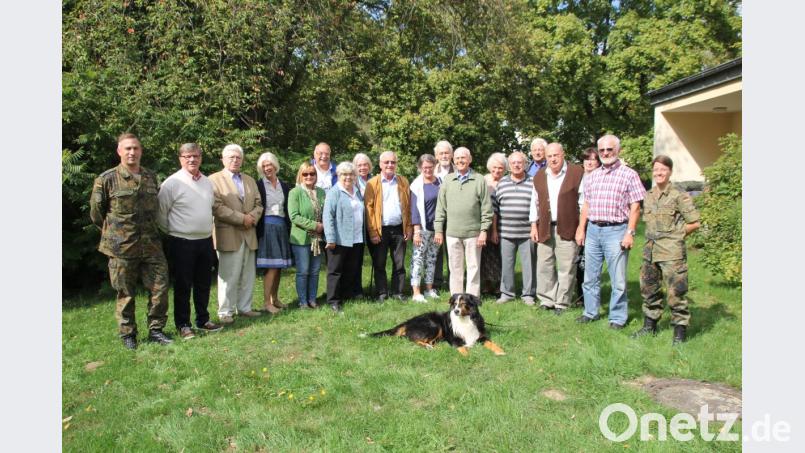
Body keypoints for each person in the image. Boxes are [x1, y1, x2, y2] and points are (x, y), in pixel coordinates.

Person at [90, 133, 172, 349]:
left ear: (141, 151)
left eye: (135, 148)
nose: (132, 152)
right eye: (127, 148)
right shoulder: (106, 179)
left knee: (160, 288)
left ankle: (156, 330)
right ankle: (128, 334)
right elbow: (97, 214)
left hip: (151, 245)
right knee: (125, 293)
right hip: (121, 247)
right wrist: (116, 233)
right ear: (119, 151)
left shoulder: (150, 177)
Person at [575, 135, 646, 329]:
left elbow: (635, 207)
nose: (605, 153)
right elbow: (586, 205)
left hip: (616, 230)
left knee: (618, 280)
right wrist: (581, 229)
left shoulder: (629, 174)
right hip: (593, 230)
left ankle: (617, 318)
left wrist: (630, 232)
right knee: (590, 276)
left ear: (618, 151)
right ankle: (590, 312)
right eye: (602, 150)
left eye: (609, 149)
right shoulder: (593, 176)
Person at [157, 143, 223, 340]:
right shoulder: (172, 183)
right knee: (183, 285)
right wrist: (176, 232)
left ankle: (203, 320)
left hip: (204, 240)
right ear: (180, 159)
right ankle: (183, 324)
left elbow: (209, 208)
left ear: (200, 157)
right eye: (187, 156)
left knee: (203, 283)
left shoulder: (206, 182)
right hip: (182, 241)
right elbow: (160, 214)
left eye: (195, 156)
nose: (192, 160)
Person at [632, 155, 700, 345]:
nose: (659, 173)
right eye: (656, 170)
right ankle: (649, 326)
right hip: (650, 251)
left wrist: (677, 236)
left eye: (663, 170)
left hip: (672, 253)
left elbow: (694, 223)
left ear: (670, 171)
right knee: (649, 290)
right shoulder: (649, 194)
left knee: (675, 292)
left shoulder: (679, 195)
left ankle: (679, 332)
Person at [209, 144, 264, 324]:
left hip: (249, 233)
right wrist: (242, 219)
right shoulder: (214, 179)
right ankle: (225, 311)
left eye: (238, 157)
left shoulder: (249, 180)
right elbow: (217, 207)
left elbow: (258, 204)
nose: (235, 160)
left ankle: (245, 307)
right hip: (228, 233)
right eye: (231, 157)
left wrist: (252, 218)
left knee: (248, 273)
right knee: (228, 275)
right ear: (223, 160)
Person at [529, 143, 584, 315]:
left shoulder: (576, 173)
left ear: (563, 154)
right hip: (545, 226)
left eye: (556, 155)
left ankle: (562, 302)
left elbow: (583, 203)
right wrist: (533, 225)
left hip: (567, 226)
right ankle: (547, 299)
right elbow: (535, 202)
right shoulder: (539, 176)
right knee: (544, 265)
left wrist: (581, 227)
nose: (553, 159)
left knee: (566, 266)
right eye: (549, 156)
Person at [434, 147, 493, 297]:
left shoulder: (479, 179)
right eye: (458, 158)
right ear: (454, 160)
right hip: (452, 233)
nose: (460, 161)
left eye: (463, 158)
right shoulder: (448, 180)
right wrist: (439, 229)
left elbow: (487, 207)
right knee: (455, 268)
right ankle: (457, 297)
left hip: (473, 233)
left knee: (473, 267)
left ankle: (472, 297)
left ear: (470, 160)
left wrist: (484, 231)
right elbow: (441, 206)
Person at [365, 151, 412, 301]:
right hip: (380, 230)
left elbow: (408, 206)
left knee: (399, 263)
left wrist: (409, 227)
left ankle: (398, 292)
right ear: (380, 164)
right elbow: (369, 209)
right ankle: (382, 293)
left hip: (399, 228)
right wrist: (372, 232)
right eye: (387, 162)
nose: (390, 165)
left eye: (393, 162)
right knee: (379, 263)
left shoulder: (403, 181)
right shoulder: (372, 183)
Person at [493, 151, 536, 305]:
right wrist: (494, 231)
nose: (517, 165)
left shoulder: (533, 182)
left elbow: (537, 207)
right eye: (513, 163)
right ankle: (507, 293)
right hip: (506, 232)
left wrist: (534, 228)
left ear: (525, 164)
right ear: (509, 166)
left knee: (529, 265)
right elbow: (495, 210)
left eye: (520, 162)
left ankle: (528, 294)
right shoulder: (502, 183)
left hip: (527, 233)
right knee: (507, 265)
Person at [323, 162, 365, 312]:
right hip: (339, 239)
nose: (348, 177)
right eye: (344, 174)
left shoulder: (357, 190)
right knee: (335, 270)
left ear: (355, 176)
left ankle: (346, 295)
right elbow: (327, 216)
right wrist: (330, 238)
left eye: (351, 174)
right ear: (339, 176)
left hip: (357, 237)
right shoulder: (334, 192)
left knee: (351, 268)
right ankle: (333, 300)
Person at [256, 152, 292, 314]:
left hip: (281, 226)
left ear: (275, 166)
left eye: (269, 165)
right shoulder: (259, 185)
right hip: (267, 226)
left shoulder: (284, 185)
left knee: (278, 266)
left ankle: (275, 299)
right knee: (271, 266)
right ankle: (266, 303)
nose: (267, 168)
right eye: (263, 166)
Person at [288, 162, 327, 309]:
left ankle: (312, 299)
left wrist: (323, 225)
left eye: (312, 173)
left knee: (315, 271)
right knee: (303, 271)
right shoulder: (295, 192)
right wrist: (315, 225)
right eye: (305, 174)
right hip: (302, 238)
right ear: (300, 175)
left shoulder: (321, 192)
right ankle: (303, 302)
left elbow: (326, 212)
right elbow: (294, 216)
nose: (309, 176)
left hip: (317, 238)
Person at [409, 154, 442, 302]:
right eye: (424, 167)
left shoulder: (440, 182)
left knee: (432, 259)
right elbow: (414, 210)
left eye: (430, 167)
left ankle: (429, 289)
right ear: (420, 168)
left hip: (437, 229)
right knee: (418, 259)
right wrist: (416, 231)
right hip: (421, 228)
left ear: (435, 166)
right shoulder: (416, 185)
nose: (427, 170)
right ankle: (416, 292)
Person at [573, 147, 602, 306]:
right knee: (578, 261)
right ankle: (580, 295)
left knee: (589, 261)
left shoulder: (601, 177)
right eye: (587, 159)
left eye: (593, 159)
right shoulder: (578, 177)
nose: (590, 162)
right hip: (576, 219)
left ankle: (590, 297)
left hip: (593, 221)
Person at [481, 152, 506, 296]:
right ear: (490, 167)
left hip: (503, 223)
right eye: (495, 167)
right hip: (486, 223)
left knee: (499, 255)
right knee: (485, 255)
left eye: (500, 168)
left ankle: (499, 285)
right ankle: (487, 284)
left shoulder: (506, 181)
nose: (497, 171)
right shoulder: (483, 180)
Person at [432, 139, 454, 290]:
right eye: (441, 153)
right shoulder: (430, 171)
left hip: (454, 218)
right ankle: (437, 282)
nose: (444, 156)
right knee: (436, 252)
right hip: (436, 217)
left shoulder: (458, 170)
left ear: (452, 154)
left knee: (453, 251)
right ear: (436, 156)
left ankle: (454, 281)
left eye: (447, 153)